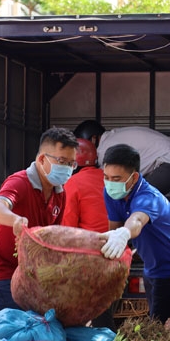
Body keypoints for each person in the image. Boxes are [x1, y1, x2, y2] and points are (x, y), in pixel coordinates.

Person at [0, 127, 78, 313]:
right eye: (62, 161)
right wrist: (15, 220)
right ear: (41, 159)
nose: (66, 169)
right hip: (1, 274)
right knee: (16, 334)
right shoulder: (19, 182)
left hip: (29, 274)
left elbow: (51, 237)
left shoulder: (59, 193)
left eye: (72, 164)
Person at [98, 143, 170, 323]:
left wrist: (124, 233)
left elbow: (137, 220)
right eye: (106, 177)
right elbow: (114, 229)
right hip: (151, 269)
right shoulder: (111, 193)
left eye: (117, 179)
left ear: (134, 177)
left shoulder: (149, 197)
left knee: (163, 328)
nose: (110, 183)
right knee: (159, 323)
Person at [62, 138, 113, 328]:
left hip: (90, 255)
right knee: (103, 309)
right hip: (116, 250)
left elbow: (67, 228)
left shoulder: (73, 183)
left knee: (95, 314)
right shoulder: (108, 177)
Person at [73, 120, 170, 195]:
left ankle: (159, 233)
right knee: (141, 196)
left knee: (142, 198)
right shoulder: (114, 136)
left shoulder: (105, 149)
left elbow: (110, 182)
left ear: (93, 138)